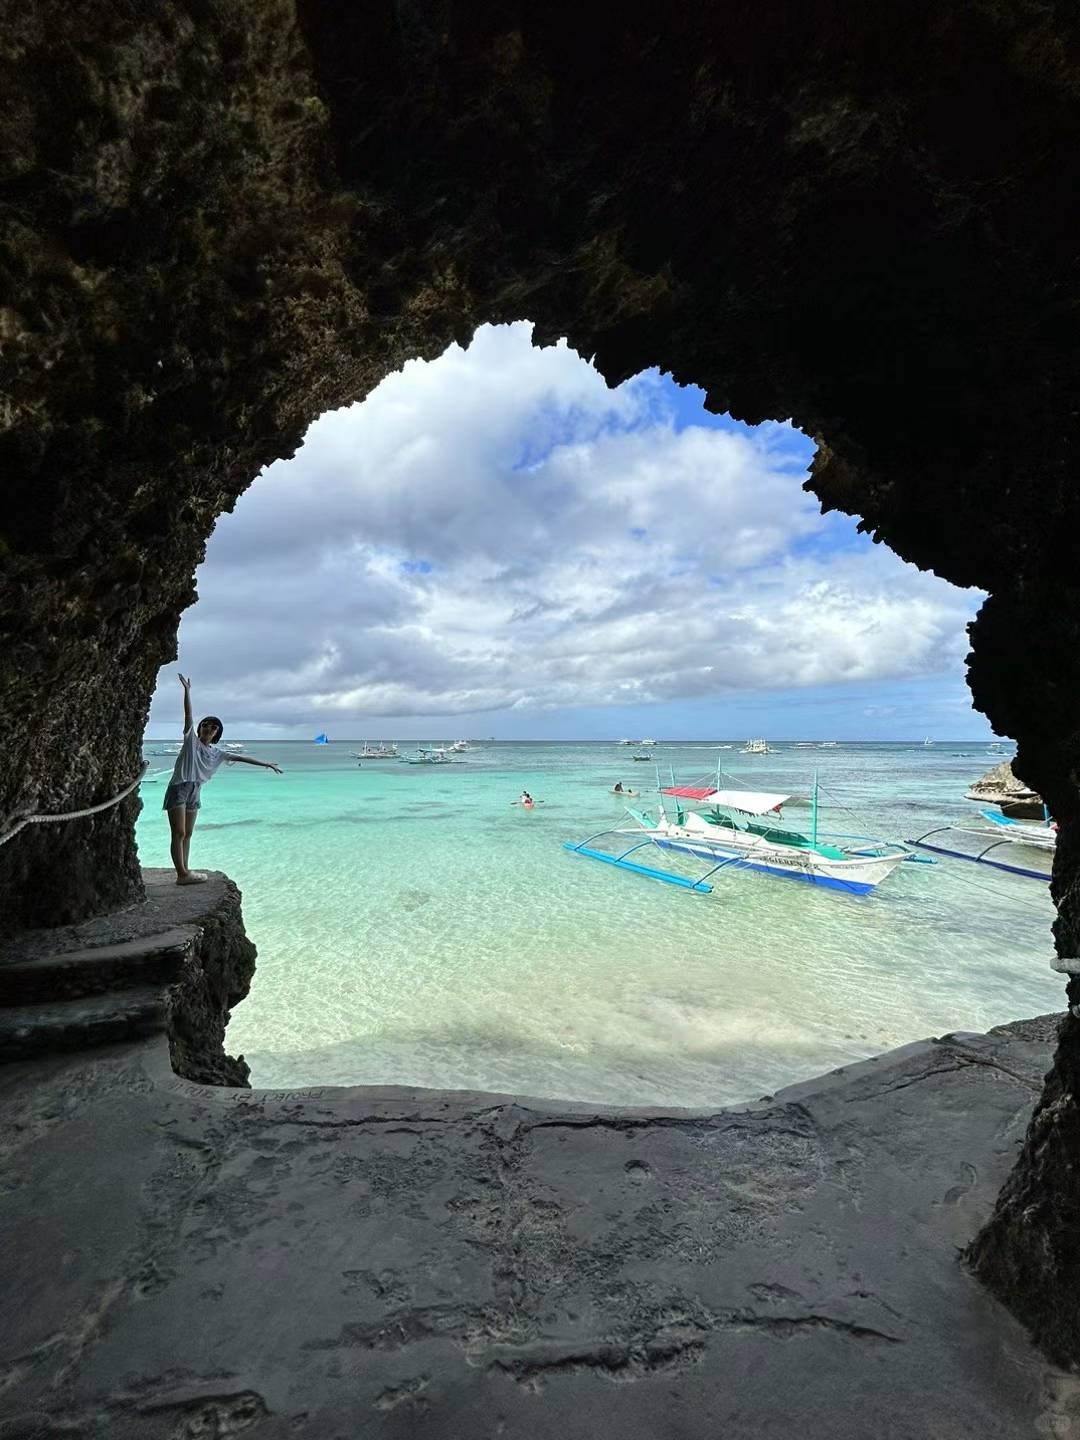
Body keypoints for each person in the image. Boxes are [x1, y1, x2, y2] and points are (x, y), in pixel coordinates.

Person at [163, 673, 283, 885]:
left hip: (195, 790)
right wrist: (187, 691)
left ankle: (186, 871)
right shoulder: (191, 740)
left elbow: (241, 757)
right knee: (179, 832)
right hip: (179, 787)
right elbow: (188, 716)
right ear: (200, 728)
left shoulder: (216, 753)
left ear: (217, 734)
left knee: (188, 833)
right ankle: (181, 874)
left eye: (213, 727)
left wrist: (266, 764)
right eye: (206, 724)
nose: (209, 727)